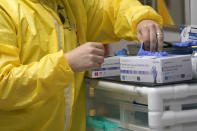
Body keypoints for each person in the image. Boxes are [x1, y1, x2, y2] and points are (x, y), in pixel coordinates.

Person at [0, 0, 163, 131]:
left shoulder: (70, 5)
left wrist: (141, 19)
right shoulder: (5, 9)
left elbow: (110, 10)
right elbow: (3, 84)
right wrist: (67, 63)